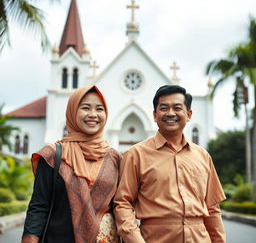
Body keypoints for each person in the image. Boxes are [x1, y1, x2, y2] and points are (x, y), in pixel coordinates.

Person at [114, 85, 226, 243]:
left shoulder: (203, 156)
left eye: (177, 107)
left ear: (188, 114)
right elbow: (123, 203)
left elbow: (212, 209)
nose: (170, 113)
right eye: (164, 108)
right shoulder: (136, 155)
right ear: (155, 115)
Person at [22, 86, 122, 243]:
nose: (93, 115)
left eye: (99, 109)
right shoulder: (52, 155)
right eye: (85, 108)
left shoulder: (115, 158)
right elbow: (39, 206)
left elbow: (121, 206)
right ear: (73, 111)